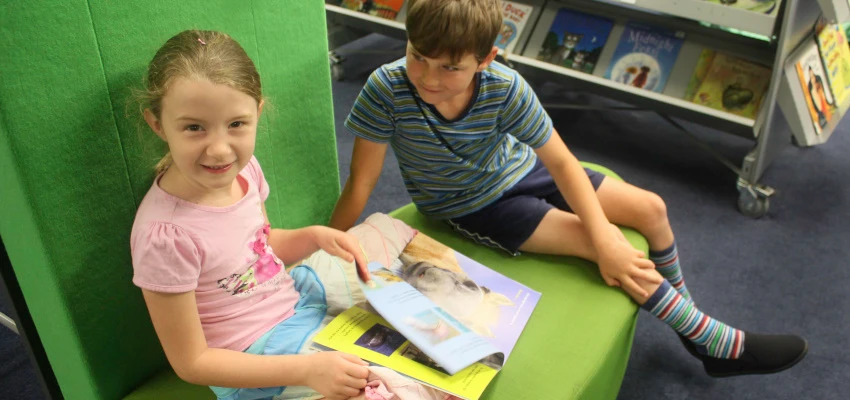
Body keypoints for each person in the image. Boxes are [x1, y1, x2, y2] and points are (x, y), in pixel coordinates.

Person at [329, 0, 807, 377]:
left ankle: (692, 328)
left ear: (486, 59)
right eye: (418, 56)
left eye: (450, 68)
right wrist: (325, 249)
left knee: (652, 209)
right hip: (468, 205)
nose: (428, 78)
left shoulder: (506, 86)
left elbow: (560, 161)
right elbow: (362, 182)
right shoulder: (383, 89)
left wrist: (603, 235)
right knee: (602, 244)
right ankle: (716, 343)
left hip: (520, 172)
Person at [130, 29, 374, 400]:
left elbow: (260, 248)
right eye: (194, 128)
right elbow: (192, 363)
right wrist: (308, 371)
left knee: (387, 257)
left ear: (257, 112)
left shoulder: (245, 172)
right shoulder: (166, 236)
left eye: (237, 125)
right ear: (158, 124)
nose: (219, 150)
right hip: (254, 360)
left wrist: (313, 236)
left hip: (297, 304)